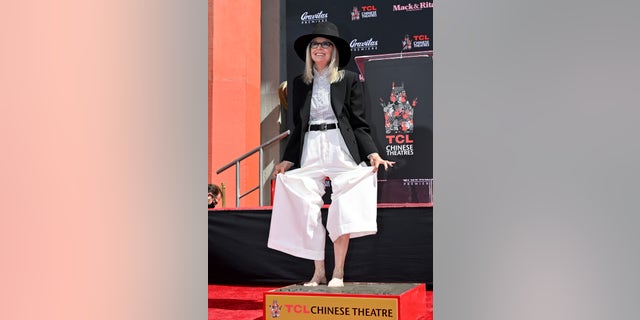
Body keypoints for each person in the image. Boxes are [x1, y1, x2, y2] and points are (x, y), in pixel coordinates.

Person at [267, 22, 395, 288]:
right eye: (315, 44)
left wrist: (371, 152)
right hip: (311, 145)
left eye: (326, 44)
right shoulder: (300, 83)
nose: (319, 48)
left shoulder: (347, 79)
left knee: (344, 206)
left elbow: (359, 122)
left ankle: (338, 271)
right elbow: (298, 126)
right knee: (305, 206)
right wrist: (288, 159)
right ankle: (318, 273)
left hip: (339, 144)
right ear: (309, 51)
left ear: (334, 50)